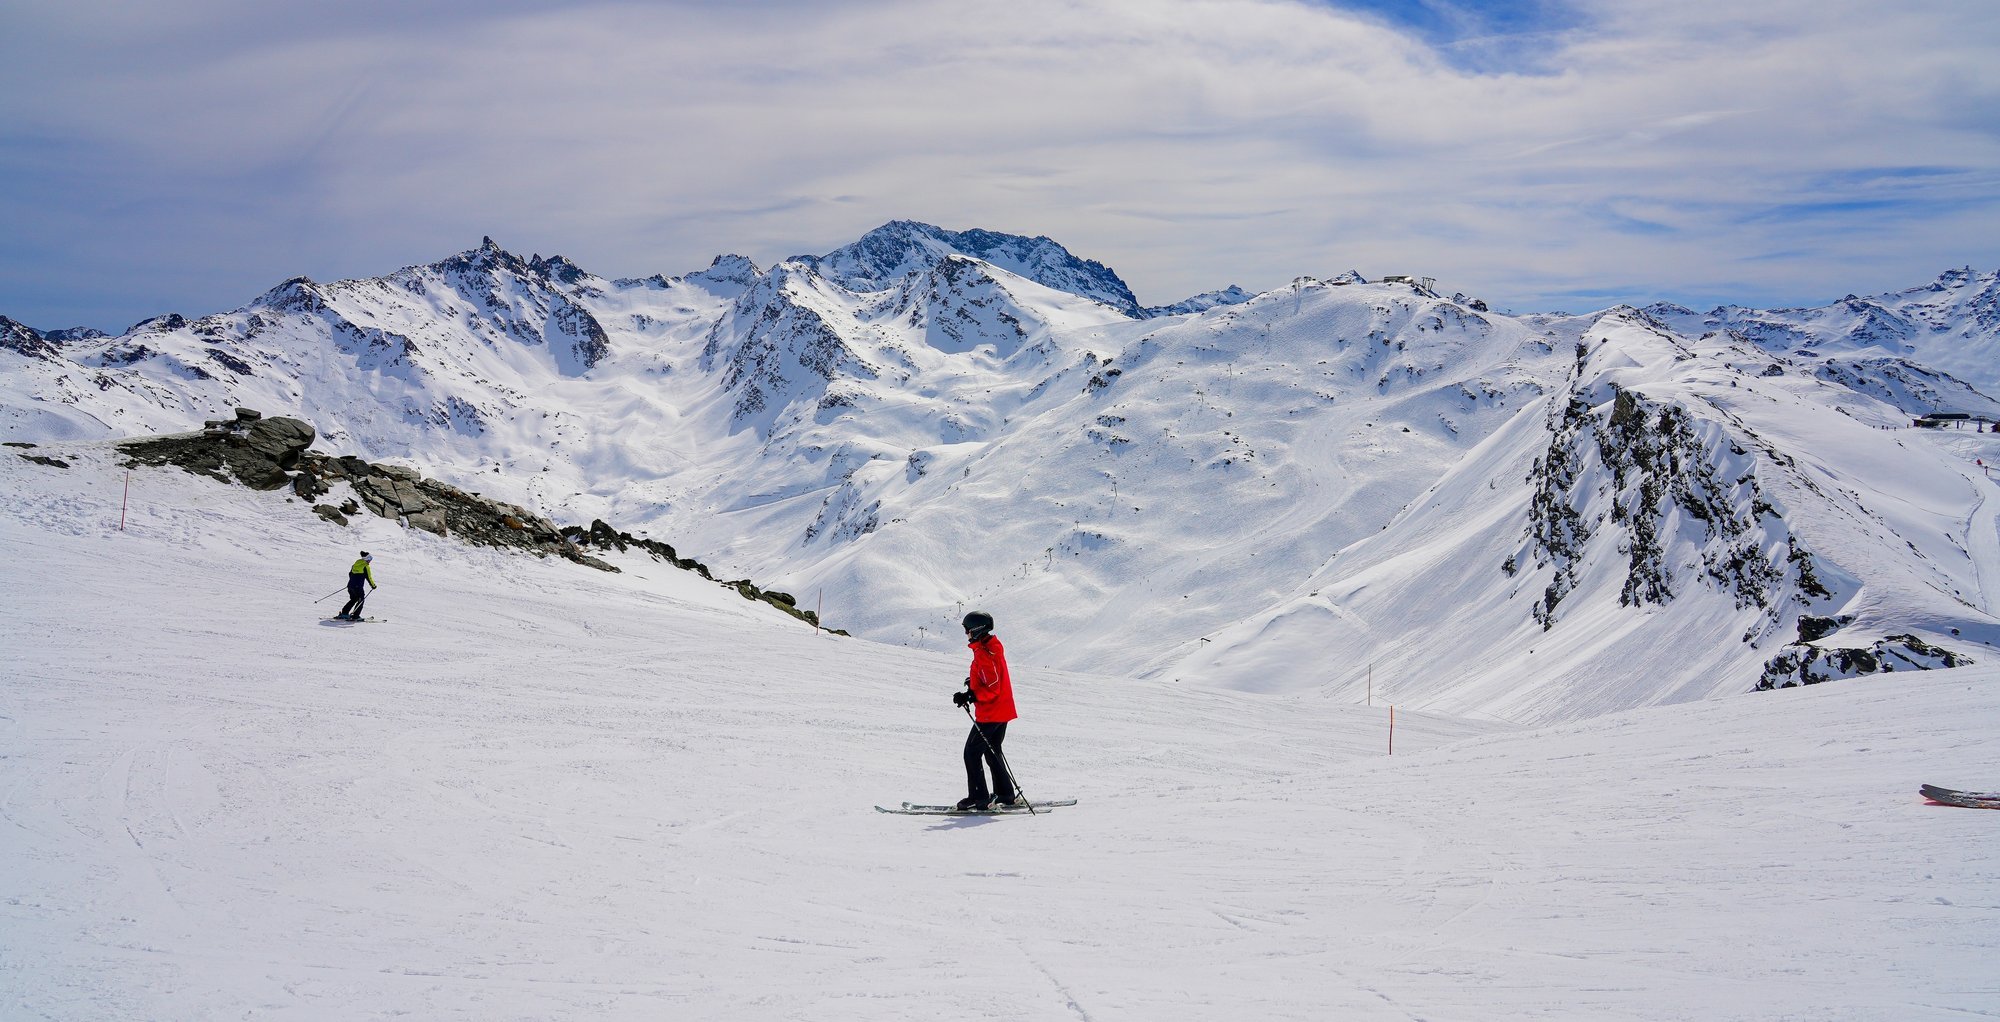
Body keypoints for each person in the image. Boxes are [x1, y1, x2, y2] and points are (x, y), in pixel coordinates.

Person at [951, 610, 1019, 811]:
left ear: (977, 630)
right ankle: (1005, 794)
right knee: (992, 750)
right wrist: (973, 683)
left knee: (971, 753)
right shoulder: (991, 647)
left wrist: (971, 695)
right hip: (1002, 710)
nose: (966, 634)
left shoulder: (983, 653)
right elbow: (990, 677)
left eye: (967, 630)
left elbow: (992, 687)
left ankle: (978, 797)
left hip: (991, 713)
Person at [336, 551, 377, 621]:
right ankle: (356, 616)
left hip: (350, 586)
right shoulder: (365, 567)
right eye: (369, 559)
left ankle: (344, 613)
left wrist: (351, 583)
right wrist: (373, 585)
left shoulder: (356, 563)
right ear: (366, 559)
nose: (370, 561)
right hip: (358, 587)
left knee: (354, 599)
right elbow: (369, 577)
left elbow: (350, 574)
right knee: (361, 600)